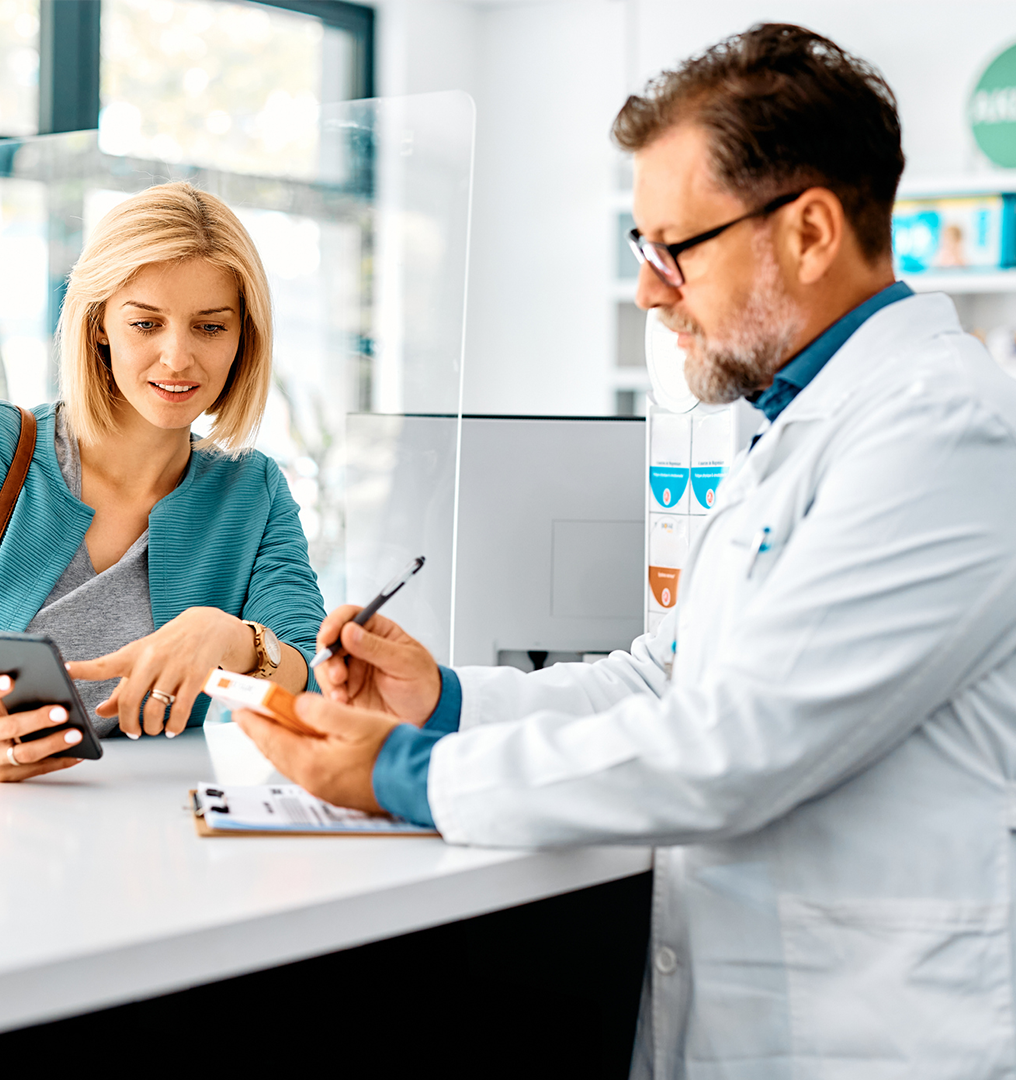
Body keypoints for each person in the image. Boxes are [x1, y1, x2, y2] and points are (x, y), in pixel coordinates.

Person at [234, 24, 1016, 1076]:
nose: (651, 290)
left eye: (673, 248)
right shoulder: (793, 422)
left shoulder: (948, 431)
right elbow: (670, 680)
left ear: (812, 232)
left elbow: (739, 745)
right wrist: (444, 703)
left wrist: (406, 774)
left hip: (875, 1036)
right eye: (641, 252)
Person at [0, 182, 325, 780]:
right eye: (146, 324)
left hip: (157, 845)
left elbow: (313, 683)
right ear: (99, 325)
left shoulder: (253, 493)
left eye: (210, 327)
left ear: (242, 336)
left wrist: (231, 640)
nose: (177, 357)